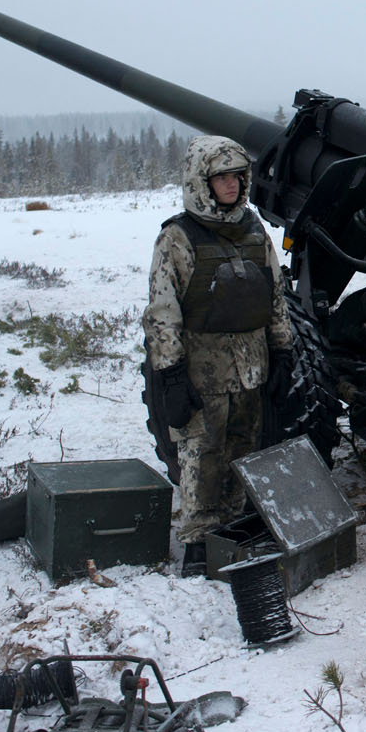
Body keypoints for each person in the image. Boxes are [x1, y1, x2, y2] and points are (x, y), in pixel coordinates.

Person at [143, 135, 294, 576]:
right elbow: (162, 313)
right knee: (201, 453)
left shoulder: (254, 231)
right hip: (202, 369)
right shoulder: (177, 237)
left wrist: (282, 352)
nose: (231, 185)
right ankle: (196, 541)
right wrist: (170, 375)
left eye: (237, 176)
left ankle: (233, 527)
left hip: (251, 368)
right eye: (221, 177)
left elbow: (275, 297)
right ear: (202, 182)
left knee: (243, 448)